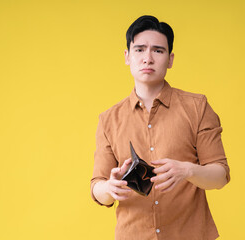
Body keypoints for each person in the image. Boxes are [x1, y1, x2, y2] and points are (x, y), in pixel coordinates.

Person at [90, 15, 230, 240]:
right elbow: (97, 187)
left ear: (170, 59)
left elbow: (220, 175)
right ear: (127, 56)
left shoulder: (197, 107)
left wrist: (188, 170)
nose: (147, 58)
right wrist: (110, 188)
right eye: (139, 50)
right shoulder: (109, 119)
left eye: (157, 50)